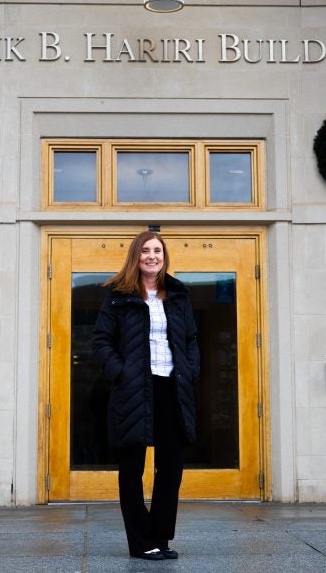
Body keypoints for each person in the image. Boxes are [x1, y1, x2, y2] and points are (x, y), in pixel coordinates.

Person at [91, 230, 201, 561]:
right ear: (135, 256)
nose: (152, 256)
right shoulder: (117, 295)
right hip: (134, 389)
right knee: (132, 469)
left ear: (165, 256)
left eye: (158, 250)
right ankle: (141, 542)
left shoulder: (178, 295)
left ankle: (160, 537)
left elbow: (192, 339)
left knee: (171, 468)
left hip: (172, 388)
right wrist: (121, 373)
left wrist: (191, 371)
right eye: (145, 251)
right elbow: (101, 341)